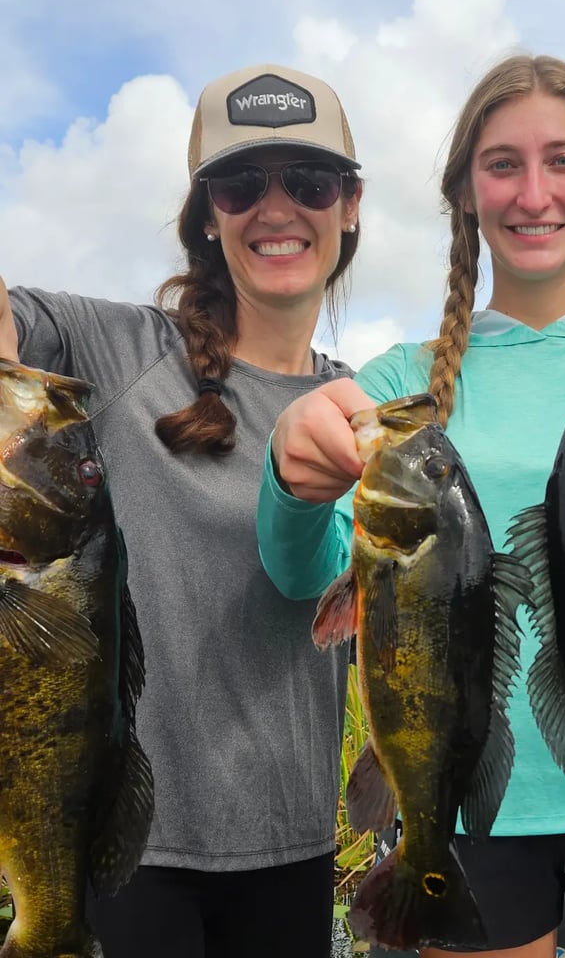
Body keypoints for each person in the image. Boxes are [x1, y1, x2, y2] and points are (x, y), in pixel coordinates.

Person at [257, 54, 565, 958]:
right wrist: (289, 478)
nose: (535, 193)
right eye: (503, 164)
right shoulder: (398, 387)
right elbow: (301, 574)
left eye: (562, 160)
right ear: (466, 191)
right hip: (461, 799)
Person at [0, 62, 369, 957]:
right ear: (207, 214)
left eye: (308, 182)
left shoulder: (367, 412)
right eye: (241, 184)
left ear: (350, 206)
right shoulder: (120, 350)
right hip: (123, 852)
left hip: (295, 840)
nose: (276, 209)